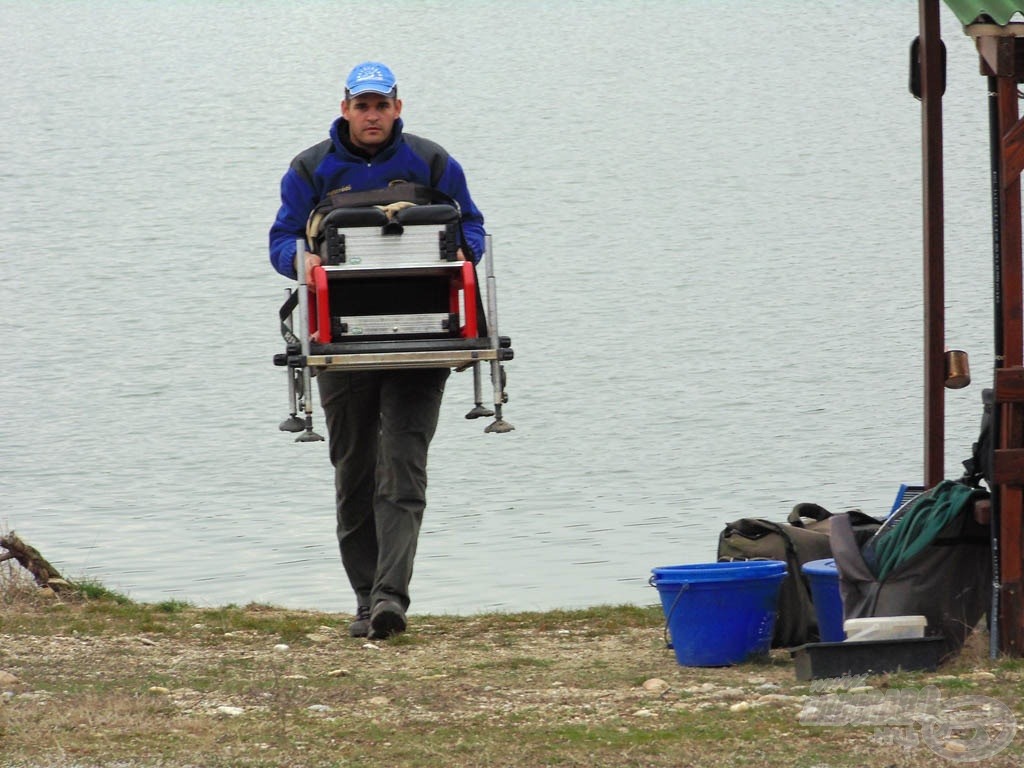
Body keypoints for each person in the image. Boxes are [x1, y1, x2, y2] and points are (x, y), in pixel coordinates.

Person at [268, 61, 486, 640]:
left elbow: (476, 228)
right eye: (362, 105)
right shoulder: (310, 167)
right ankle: (365, 598)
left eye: (381, 105)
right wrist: (301, 258)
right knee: (355, 470)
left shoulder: (434, 161)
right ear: (345, 109)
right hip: (340, 343)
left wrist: (466, 253)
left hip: (425, 339)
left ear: (398, 107)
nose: (372, 115)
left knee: (404, 466)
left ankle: (392, 599)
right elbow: (280, 237)